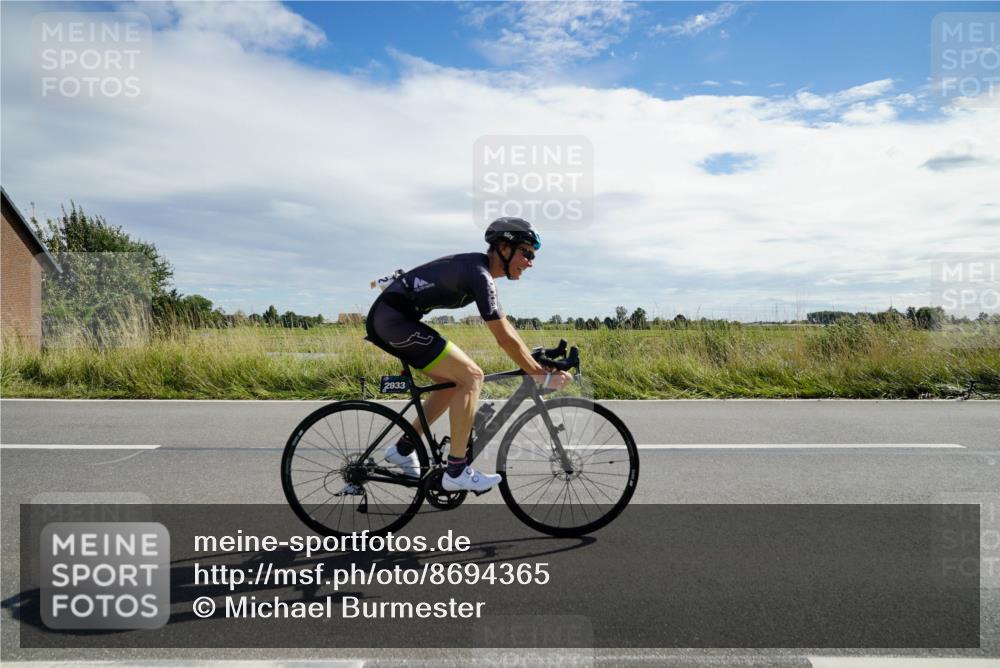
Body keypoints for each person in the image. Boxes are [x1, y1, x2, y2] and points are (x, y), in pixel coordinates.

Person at [354, 217, 573, 495]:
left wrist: (534, 362)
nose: (530, 262)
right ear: (504, 248)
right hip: (392, 321)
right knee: (472, 376)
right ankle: (456, 471)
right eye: (526, 253)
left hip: (395, 319)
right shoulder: (479, 274)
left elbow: (506, 328)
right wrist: (540, 375)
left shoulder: (480, 273)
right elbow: (503, 339)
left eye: (533, 256)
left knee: (452, 384)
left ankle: (403, 448)